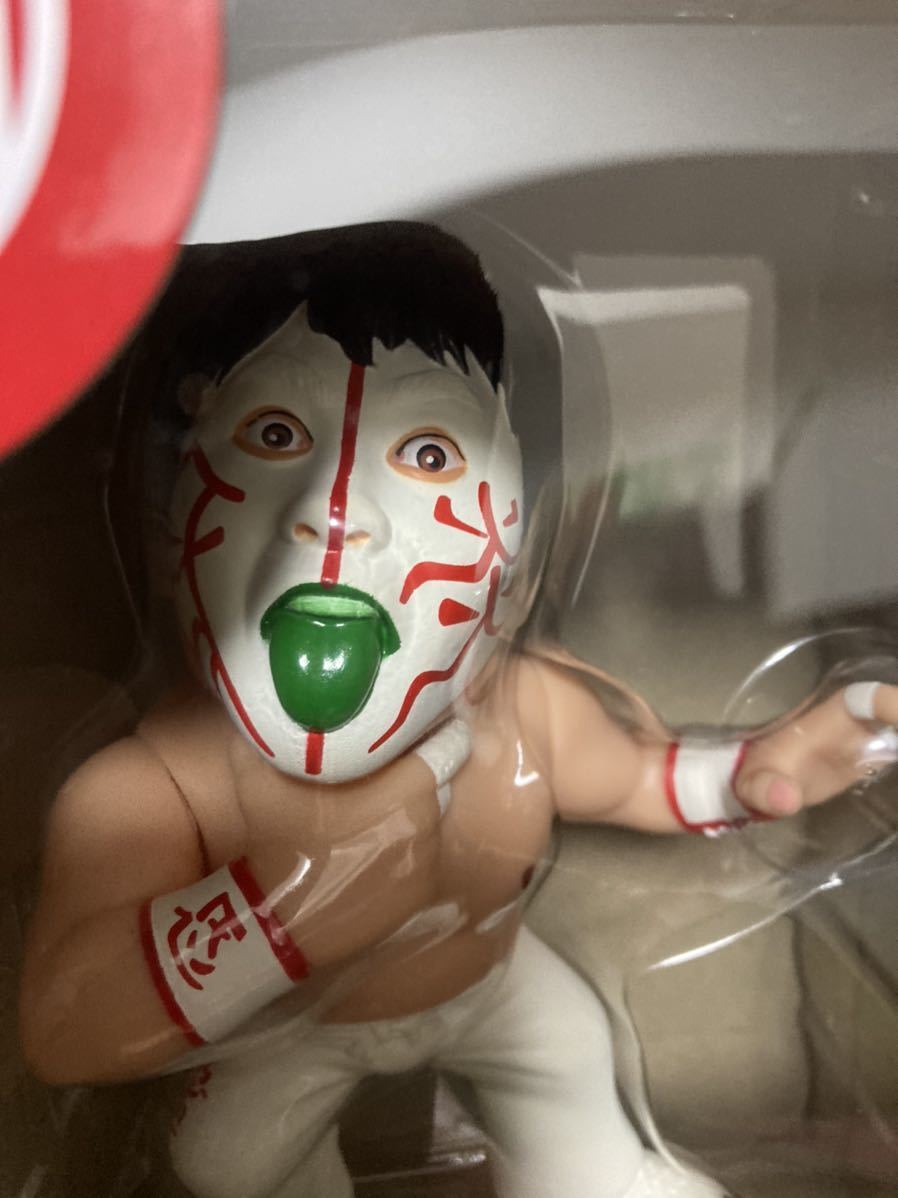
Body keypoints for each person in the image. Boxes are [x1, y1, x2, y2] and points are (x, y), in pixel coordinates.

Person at [19, 224, 898, 1198]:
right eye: (274, 435)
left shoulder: (520, 711)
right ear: (161, 520)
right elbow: (67, 1028)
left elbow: (640, 778)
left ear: (520, 563)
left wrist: (763, 769)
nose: (336, 512)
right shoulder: (159, 787)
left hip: (488, 988)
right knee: (224, 1162)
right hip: (287, 1036)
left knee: (571, 1064)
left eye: (431, 450)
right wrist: (283, 910)